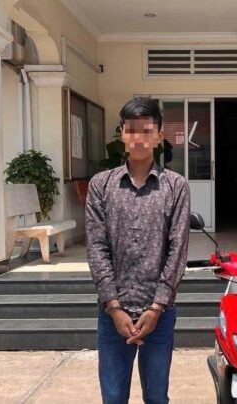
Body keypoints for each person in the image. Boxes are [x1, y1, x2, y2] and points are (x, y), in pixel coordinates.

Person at [86, 97, 190, 404]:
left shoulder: (175, 186)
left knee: (157, 397)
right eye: (132, 130)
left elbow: (178, 249)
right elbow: (96, 247)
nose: (139, 138)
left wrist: (156, 307)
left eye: (147, 130)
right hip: (112, 315)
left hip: (159, 315)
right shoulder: (101, 185)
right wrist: (114, 307)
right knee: (113, 398)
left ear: (159, 136)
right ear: (122, 133)